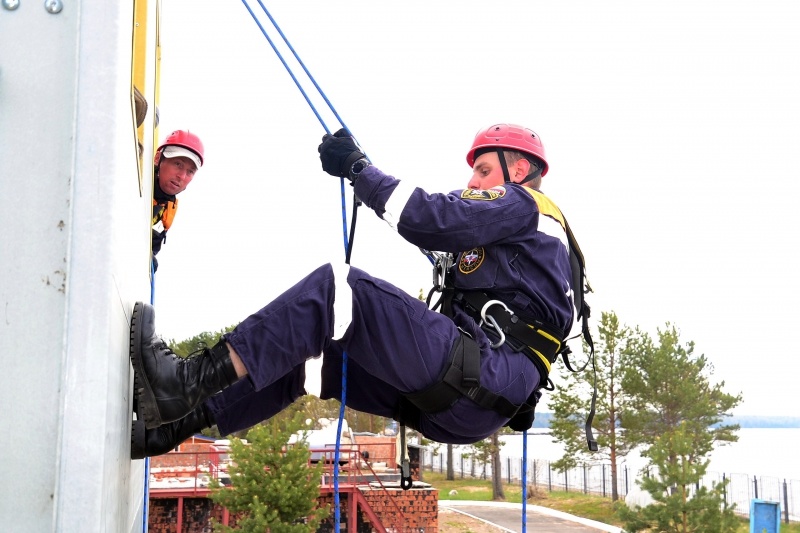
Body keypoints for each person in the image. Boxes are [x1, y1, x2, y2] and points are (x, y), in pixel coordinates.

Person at [130, 123, 583, 459]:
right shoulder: (535, 245)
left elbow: (428, 216)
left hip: (477, 378)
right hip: (473, 402)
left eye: (483, 170)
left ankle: (185, 382)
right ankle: (170, 426)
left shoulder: (524, 205)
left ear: (519, 169)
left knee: (336, 289)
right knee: (309, 358)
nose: (472, 182)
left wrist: (359, 169)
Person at [151, 130, 204, 272]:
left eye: (190, 171)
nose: (182, 176)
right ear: (158, 159)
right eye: (178, 164)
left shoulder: (168, 208)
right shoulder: (134, 184)